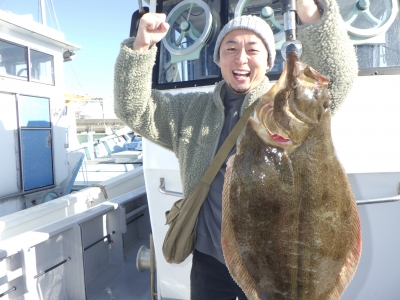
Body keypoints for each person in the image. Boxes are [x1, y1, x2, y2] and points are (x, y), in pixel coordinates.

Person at [114, 0, 358, 299]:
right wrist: (140, 49)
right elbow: (133, 108)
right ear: (218, 60)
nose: (241, 59)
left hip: (276, 264)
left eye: (253, 50)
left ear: (270, 63)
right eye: (230, 49)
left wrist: (308, 9)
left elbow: (338, 75)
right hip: (210, 262)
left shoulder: (290, 106)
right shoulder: (191, 110)